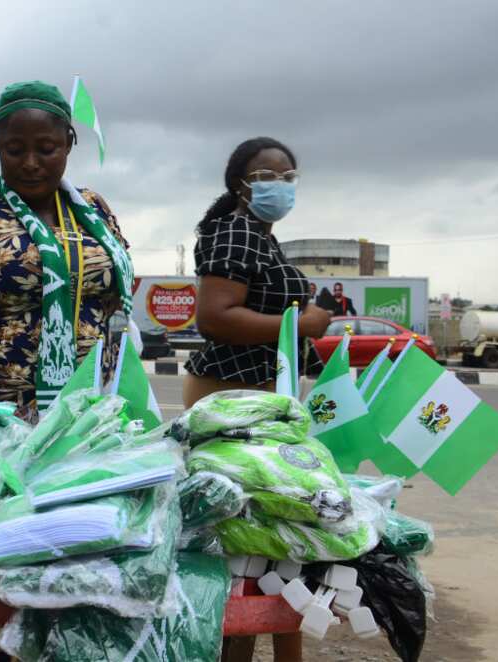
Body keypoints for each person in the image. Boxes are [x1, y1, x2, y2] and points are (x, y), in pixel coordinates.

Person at [0, 80, 132, 660]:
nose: (31, 162)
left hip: (92, 419)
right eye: (14, 149)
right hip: (12, 412)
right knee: (3, 550)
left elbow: (114, 302)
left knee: (83, 553)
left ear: (70, 141)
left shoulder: (95, 210)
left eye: (46, 147)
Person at [184, 138, 331, 662]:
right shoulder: (236, 232)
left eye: (289, 176)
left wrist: (318, 354)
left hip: (261, 399)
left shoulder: (261, 237)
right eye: (268, 176)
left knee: (265, 540)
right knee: (244, 540)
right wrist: (303, 321)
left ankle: (248, 651)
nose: (280, 186)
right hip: (231, 400)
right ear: (240, 185)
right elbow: (215, 316)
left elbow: (272, 332)